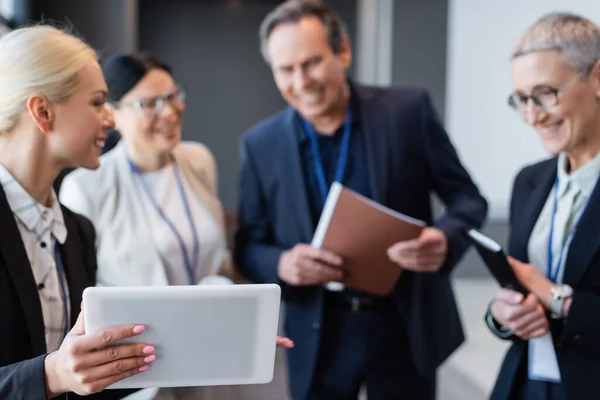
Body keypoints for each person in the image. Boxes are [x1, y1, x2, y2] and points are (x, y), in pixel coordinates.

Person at [234, 1, 488, 399]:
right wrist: (282, 263)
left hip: (403, 325)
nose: (301, 82)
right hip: (317, 333)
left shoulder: (408, 112)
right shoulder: (259, 144)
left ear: (344, 52)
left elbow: (467, 200)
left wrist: (444, 240)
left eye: (313, 62)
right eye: (286, 69)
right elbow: (248, 244)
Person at [59, 53, 293, 400]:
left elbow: (217, 263)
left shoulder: (198, 161)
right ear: (114, 113)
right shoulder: (86, 187)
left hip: (212, 355)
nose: (169, 112)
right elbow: (83, 297)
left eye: (172, 97)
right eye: (149, 103)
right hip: (142, 369)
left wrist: (236, 312)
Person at [0, 25, 157, 399]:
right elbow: (61, 374)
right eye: (98, 101)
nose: (112, 119)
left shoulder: (78, 231)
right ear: (42, 111)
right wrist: (50, 375)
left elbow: (85, 376)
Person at [485, 12, 600, 400]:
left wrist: (559, 299)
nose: (532, 116)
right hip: (526, 384)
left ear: (598, 77)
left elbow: (547, 292)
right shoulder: (529, 181)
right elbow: (518, 292)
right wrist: (502, 315)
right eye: (521, 99)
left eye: (545, 92)